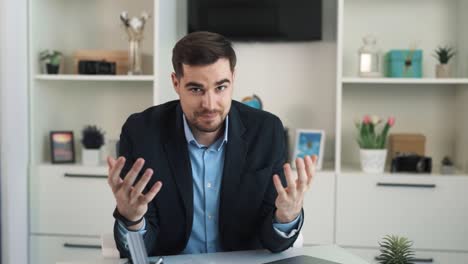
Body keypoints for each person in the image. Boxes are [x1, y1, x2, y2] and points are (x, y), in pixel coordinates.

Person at [107, 31, 317, 257]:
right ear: (176, 83)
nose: (210, 104)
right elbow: (138, 253)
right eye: (196, 89)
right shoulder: (142, 133)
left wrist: (286, 217)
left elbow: (274, 244)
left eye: (221, 88)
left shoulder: (266, 132)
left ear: (233, 79)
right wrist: (132, 220)